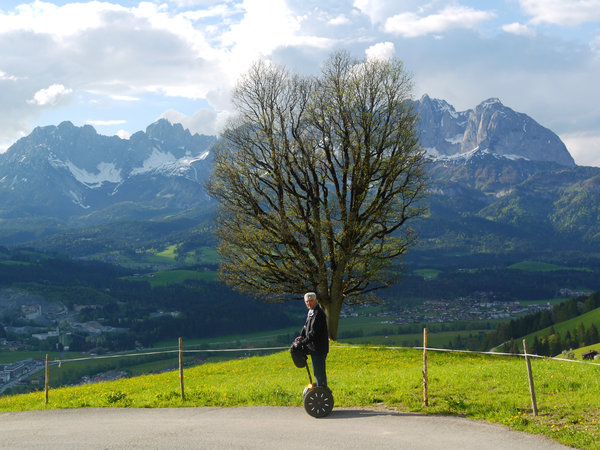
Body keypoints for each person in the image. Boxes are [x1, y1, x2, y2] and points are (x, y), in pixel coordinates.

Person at [295, 292, 329, 387]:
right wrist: (302, 336)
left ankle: (322, 391)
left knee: (319, 373)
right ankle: (320, 390)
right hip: (314, 349)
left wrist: (303, 342)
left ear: (315, 301)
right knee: (317, 372)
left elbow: (314, 333)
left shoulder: (318, 313)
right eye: (307, 301)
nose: (308, 303)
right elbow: (306, 327)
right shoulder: (311, 312)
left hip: (318, 348)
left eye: (310, 301)